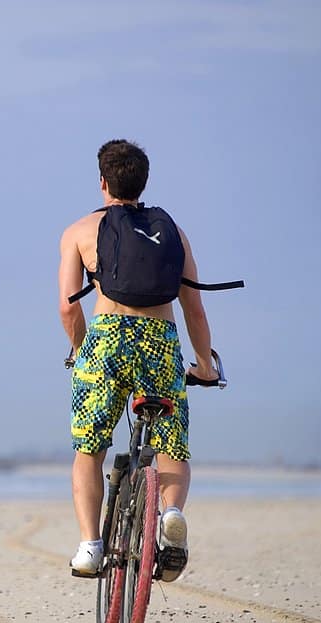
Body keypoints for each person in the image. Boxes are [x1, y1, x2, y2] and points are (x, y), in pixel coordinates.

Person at [57, 139, 218, 582]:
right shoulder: (174, 234)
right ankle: (169, 514)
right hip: (160, 343)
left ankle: (90, 545)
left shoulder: (78, 232)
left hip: (107, 341)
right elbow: (195, 310)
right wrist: (204, 365)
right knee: (171, 446)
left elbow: (69, 308)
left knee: (89, 448)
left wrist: (81, 349)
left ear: (103, 181)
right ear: (143, 181)